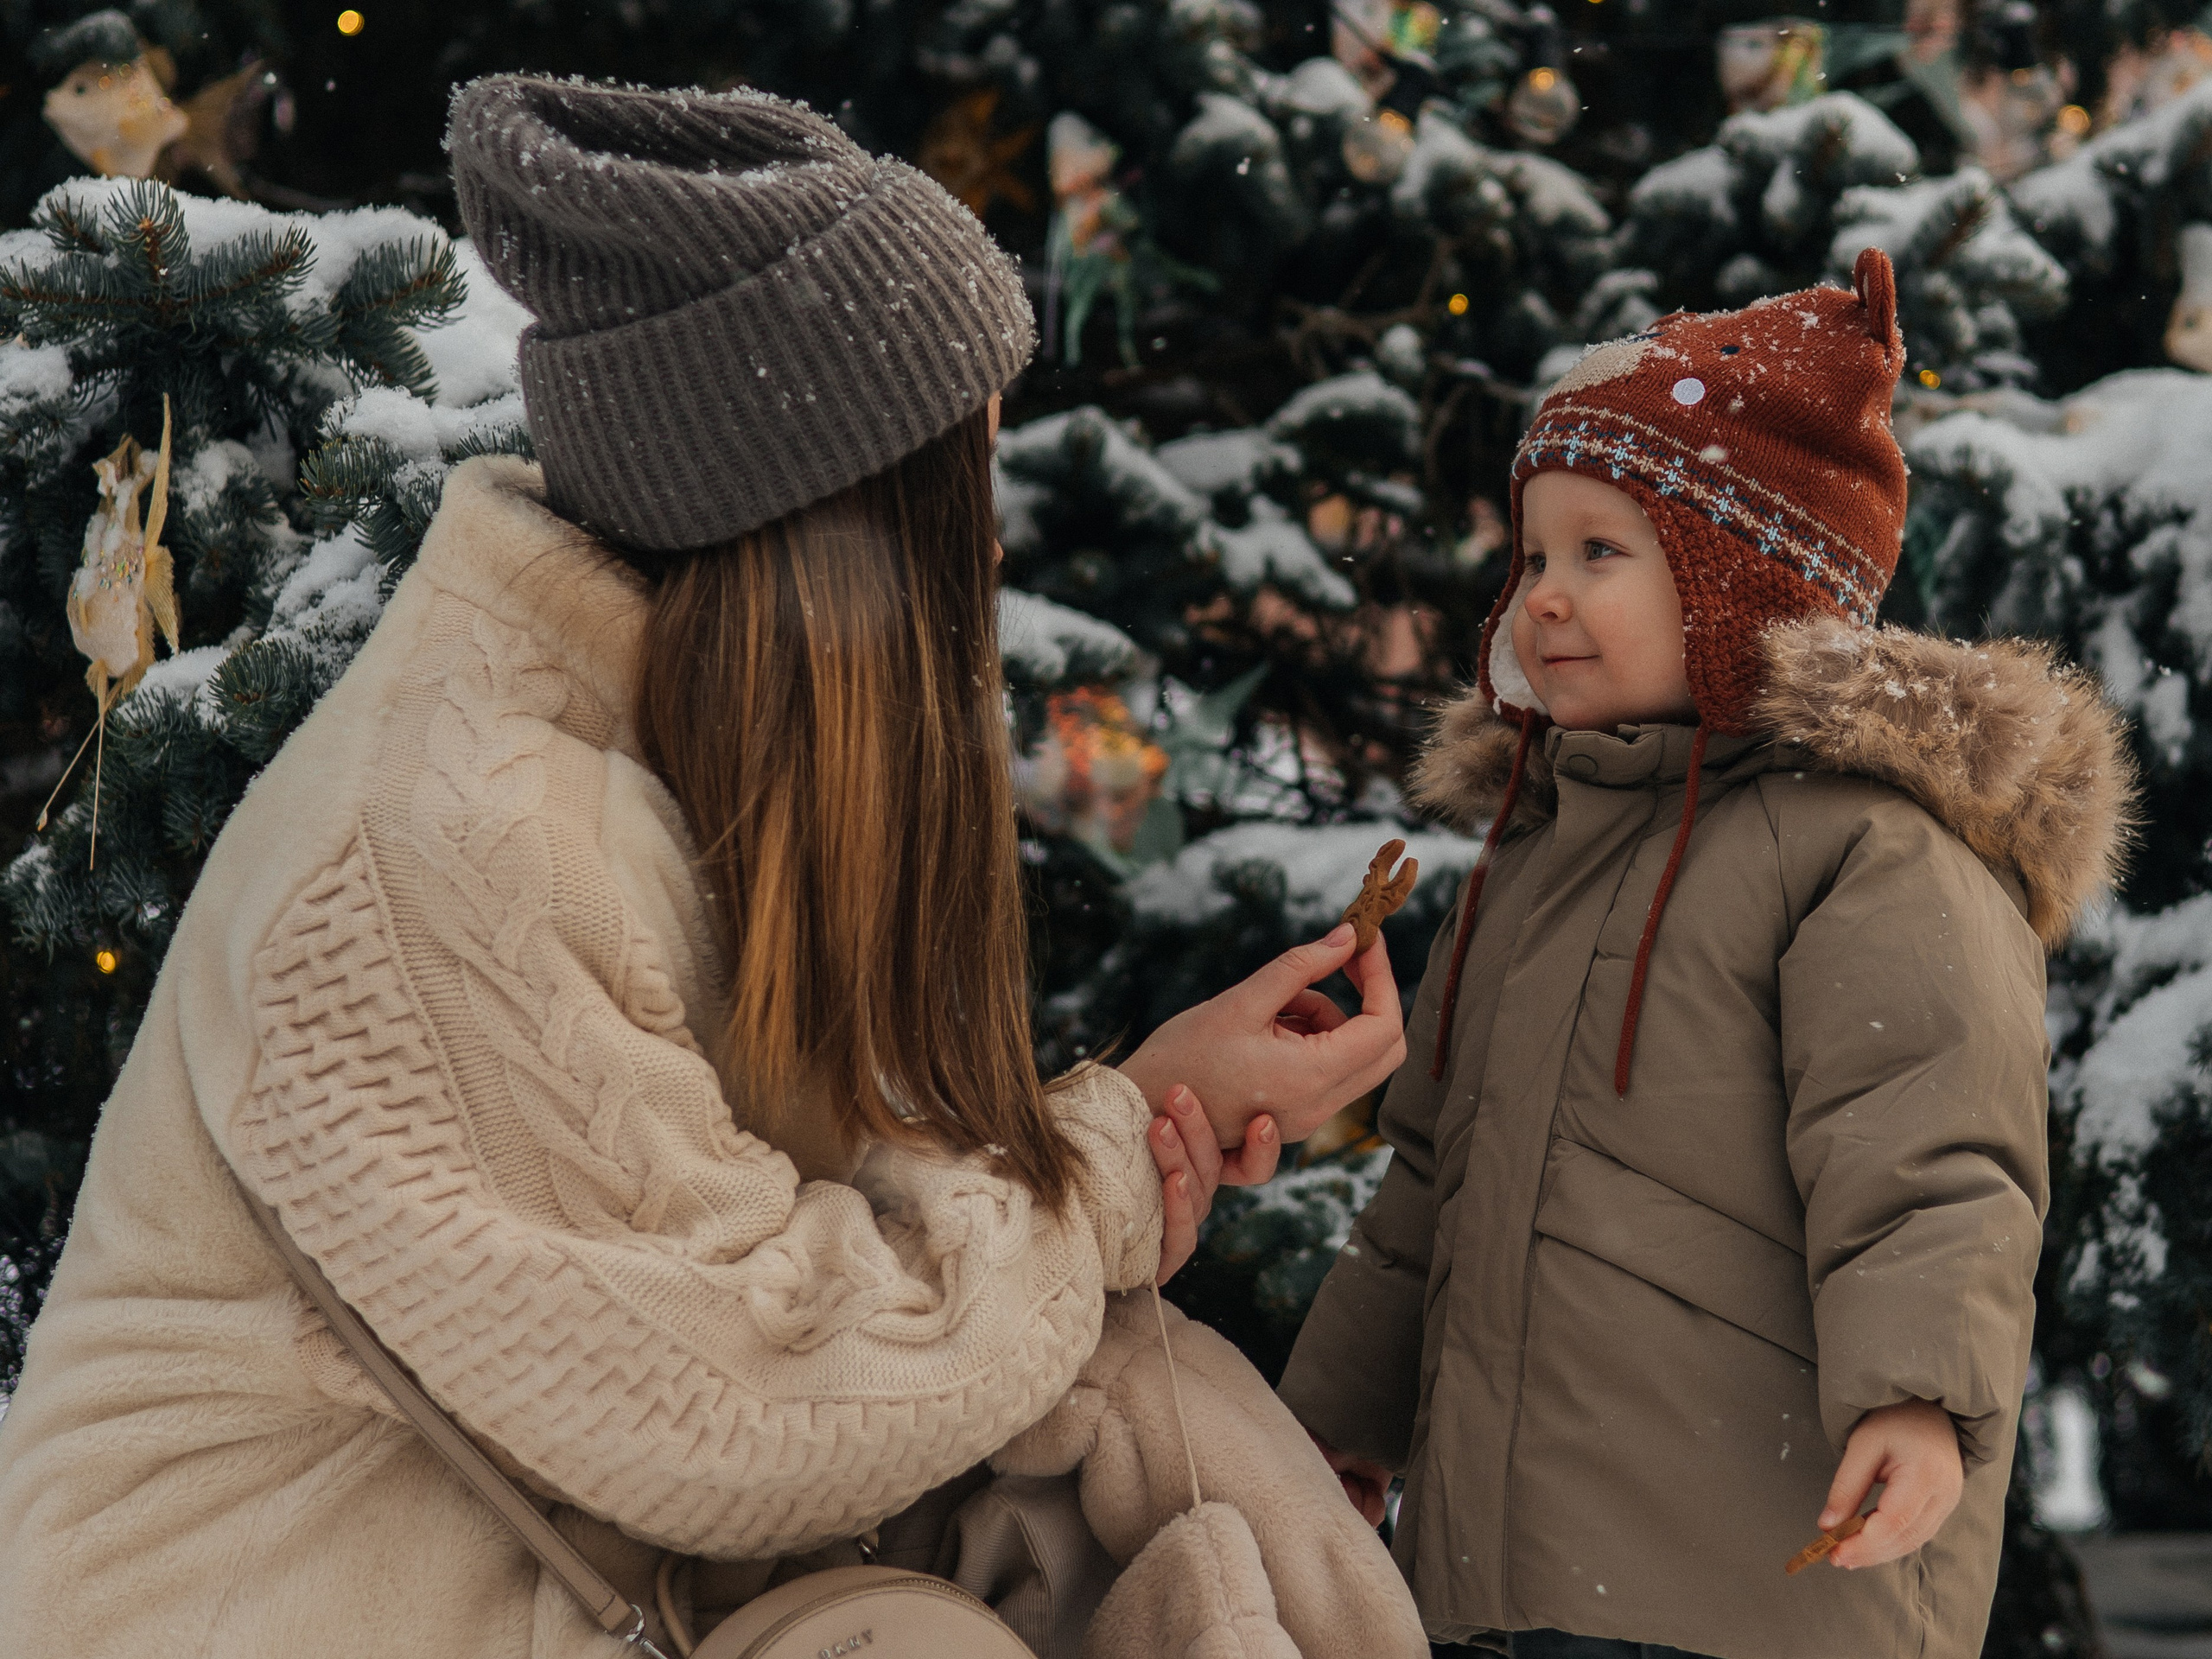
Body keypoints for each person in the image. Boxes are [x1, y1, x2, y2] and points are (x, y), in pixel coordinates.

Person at [0, 79, 1427, 1659]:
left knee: (1176, 1436)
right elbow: (752, 1403)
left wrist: (1166, 1100)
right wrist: (1089, 1185)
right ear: (831, 526)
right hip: (276, 1607)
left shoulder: (702, 767)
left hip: (583, 1575)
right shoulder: (465, 835)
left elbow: (853, 1240)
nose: (993, 552)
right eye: (962, 489)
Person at [1278, 248, 2136, 1659]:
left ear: (1741, 578)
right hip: (1515, 1569)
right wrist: (1346, 1420)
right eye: (1533, 555)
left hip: (1766, 1568)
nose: (1542, 596)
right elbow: (1433, 1182)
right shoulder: (1538, 857)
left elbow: (1932, 1166)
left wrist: (1922, 1398)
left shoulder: (1872, 852)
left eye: (1600, 553)